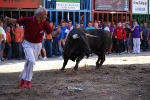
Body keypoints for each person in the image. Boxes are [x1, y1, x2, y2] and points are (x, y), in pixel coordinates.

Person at [5, 7, 60, 89]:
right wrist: (9, 19)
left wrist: (57, 32)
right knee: (31, 60)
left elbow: (52, 33)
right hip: (27, 44)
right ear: (39, 14)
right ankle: (28, 80)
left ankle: (22, 78)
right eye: (45, 14)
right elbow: (16, 21)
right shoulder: (29, 20)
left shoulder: (45, 23)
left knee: (30, 62)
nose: (46, 16)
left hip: (38, 45)